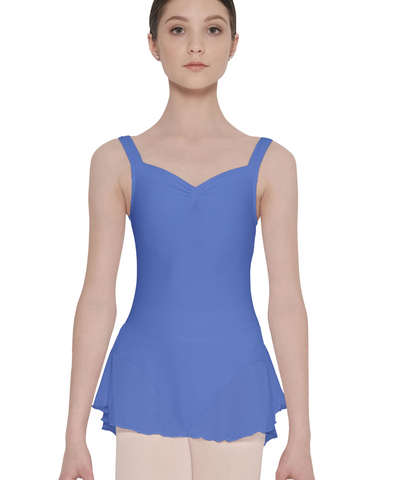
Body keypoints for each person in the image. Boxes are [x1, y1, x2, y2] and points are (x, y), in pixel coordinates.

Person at [58, 0, 315, 479]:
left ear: (233, 44)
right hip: (146, 374)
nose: (196, 45)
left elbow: (286, 300)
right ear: (153, 44)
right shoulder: (114, 161)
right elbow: (96, 296)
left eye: (212, 30)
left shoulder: (274, 164)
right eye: (178, 30)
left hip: (235, 377)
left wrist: (302, 436)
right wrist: (74, 435)